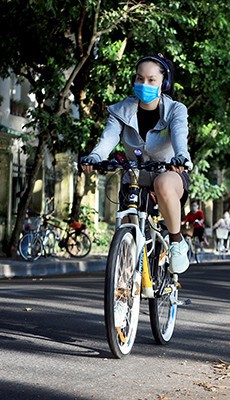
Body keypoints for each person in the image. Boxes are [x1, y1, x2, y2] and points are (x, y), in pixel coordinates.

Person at [81, 53, 192, 274]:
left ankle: (176, 242)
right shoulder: (120, 110)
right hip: (134, 175)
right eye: (140, 79)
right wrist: (95, 157)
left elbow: (180, 137)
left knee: (163, 183)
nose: (144, 84)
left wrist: (180, 157)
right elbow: (108, 139)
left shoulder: (175, 110)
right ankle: (124, 281)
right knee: (126, 229)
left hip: (169, 172)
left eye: (151, 80)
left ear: (163, 83)